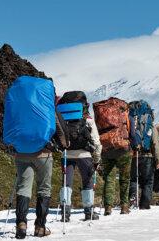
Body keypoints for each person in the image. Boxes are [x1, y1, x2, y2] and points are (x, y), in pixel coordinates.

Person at [14, 107, 68, 238]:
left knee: (23, 188)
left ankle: (21, 224)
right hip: (43, 153)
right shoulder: (46, 103)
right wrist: (64, 144)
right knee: (44, 189)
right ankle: (40, 227)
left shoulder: (19, 100)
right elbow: (59, 125)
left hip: (22, 152)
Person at [57, 92, 102, 222]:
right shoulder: (88, 120)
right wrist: (96, 160)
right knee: (87, 182)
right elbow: (96, 142)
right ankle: (89, 212)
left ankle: (65, 212)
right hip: (85, 155)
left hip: (66, 154)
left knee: (66, 183)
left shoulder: (62, 117)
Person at [101, 109, 138, 215]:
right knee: (124, 178)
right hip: (123, 150)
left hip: (107, 150)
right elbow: (132, 135)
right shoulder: (127, 117)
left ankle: (108, 206)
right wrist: (135, 146)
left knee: (109, 178)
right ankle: (124, 206)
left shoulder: (104, 117)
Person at [129, 111, 159, 209]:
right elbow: (156, 144)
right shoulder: (150, 126)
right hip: (148, 156)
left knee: (134, 179)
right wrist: (158, 160)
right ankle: (144, 204)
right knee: (148, 181)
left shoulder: (132, 124)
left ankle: (132, 199)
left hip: (134, 156)